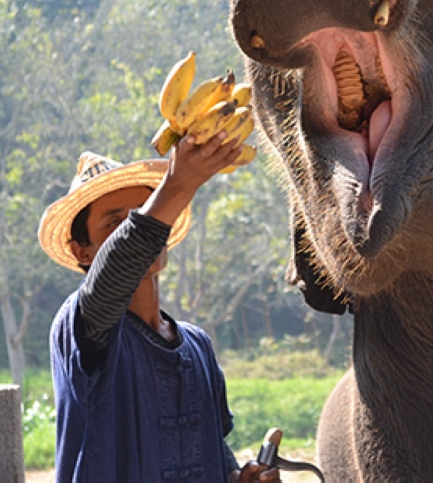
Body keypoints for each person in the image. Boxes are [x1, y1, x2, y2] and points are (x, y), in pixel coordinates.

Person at [38, 132, 280, 482]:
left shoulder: (198, 346)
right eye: (113, 223)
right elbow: (118, 266)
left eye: (143, 215)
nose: (134, 229)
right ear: (82, 251)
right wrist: (178, 184)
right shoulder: (82, 324)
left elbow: (211, 446)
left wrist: (237, 477)